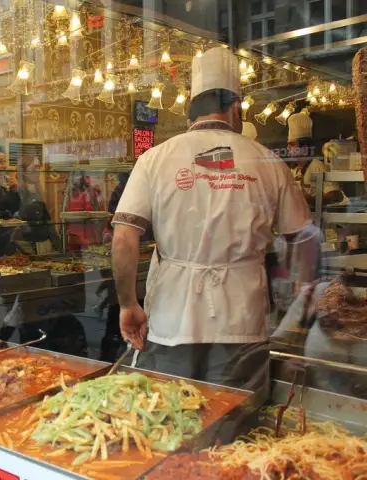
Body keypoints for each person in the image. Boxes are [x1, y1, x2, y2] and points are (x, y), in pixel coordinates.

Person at [111, 47, 317, 392]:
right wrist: (297, 301)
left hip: (173, 316)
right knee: (234, 420)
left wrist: (128, 303)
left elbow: (123, 240)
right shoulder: (266, 160)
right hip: (243, 318)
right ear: (236, 109)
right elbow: (304, 238)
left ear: (192, 111)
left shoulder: (155, 158)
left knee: (171, 418)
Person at [288, 112, 348, 206]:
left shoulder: (317, 166)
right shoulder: (293, 170)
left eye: (292, 144)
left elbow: (336, 195)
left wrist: (310, 200)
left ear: (304, 148)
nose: (287, 148)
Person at [13, 155, 61, 254]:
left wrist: (58, 245)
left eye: (39, 167)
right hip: (24, 246)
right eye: (34, 167)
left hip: (41, 243)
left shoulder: (39, 191)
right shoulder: (18, 193)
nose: (38, 170)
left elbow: (47, 221)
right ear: (24, 172)